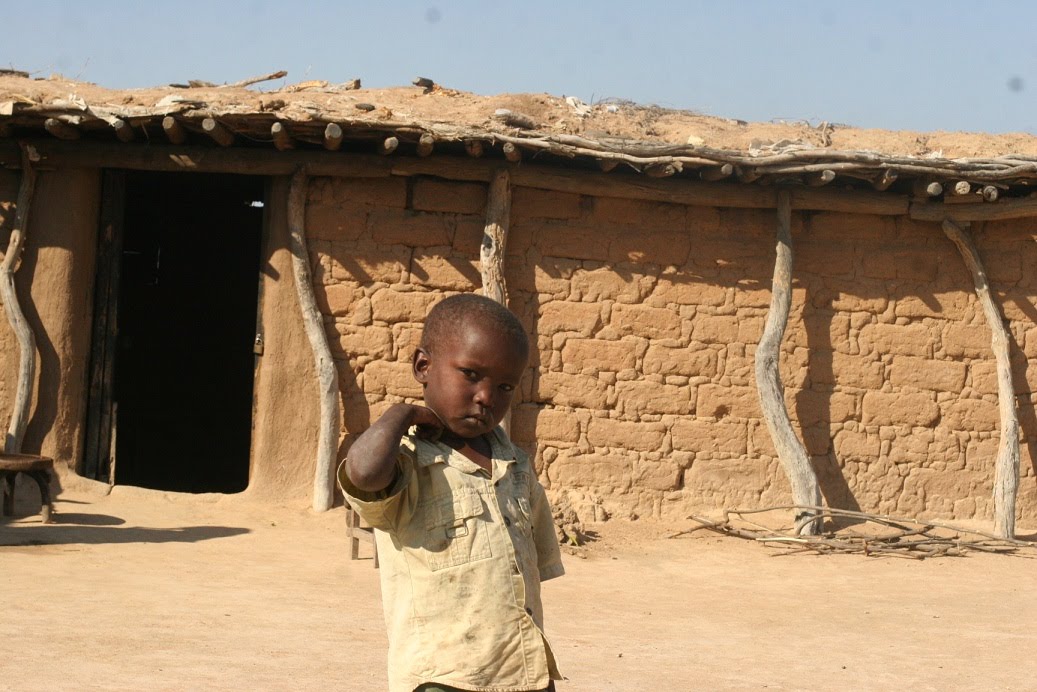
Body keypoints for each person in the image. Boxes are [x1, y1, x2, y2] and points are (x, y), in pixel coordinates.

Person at [339, 293, 564, 692]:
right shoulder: (407, 462)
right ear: (423, 366)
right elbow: (364, 472)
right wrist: (403, 413)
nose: (486, 397)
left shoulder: (516, 466)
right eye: (471, 374)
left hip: (521, 673)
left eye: (505, 386)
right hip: (443, 678)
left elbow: (531, 570)